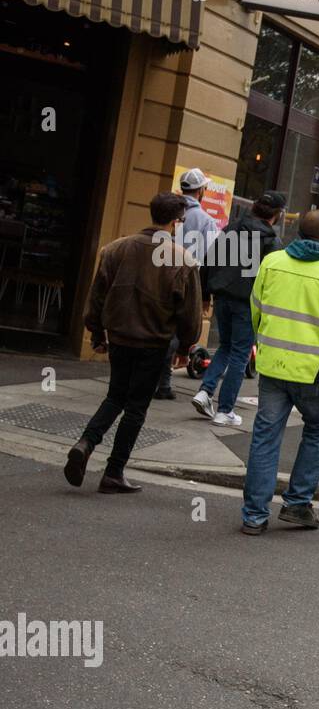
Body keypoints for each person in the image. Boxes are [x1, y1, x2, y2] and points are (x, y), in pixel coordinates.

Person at [65, 193, 202, 493]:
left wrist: (97, 333)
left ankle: (86, 442)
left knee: (115, 396)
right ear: (176, 222)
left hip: (120, 337)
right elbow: (189, 314)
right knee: (136, 407)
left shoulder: (115, 249)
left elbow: (97, 296)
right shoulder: (182, 259)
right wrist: (184, 347)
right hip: (153, 342)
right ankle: (114, 471)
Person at [240, 209, 319, 535]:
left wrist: (263, 345)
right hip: (313, 373)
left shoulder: (272, 263)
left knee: (265, 438)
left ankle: (253, 516)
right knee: (316, 431)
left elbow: (257, 310)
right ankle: (297, 504)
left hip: (273, 366)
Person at [192, 191, 286, 427]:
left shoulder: (232, 229)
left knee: (226, 346)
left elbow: (210, 258)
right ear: (277, 214)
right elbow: (273, 279)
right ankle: (225, 410)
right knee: (240, 354)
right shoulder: (271, 241)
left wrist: (205, 294)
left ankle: (205, 391)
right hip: (247, 303)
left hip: (222, 297)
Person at [156, 168, 219, 400]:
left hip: (160, 274)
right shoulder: (206, 221)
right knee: (176, 329)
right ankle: (163, 383)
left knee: (159, 324)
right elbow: (211, 258)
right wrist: (206, 294)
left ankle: (154, 379)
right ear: (201, 190)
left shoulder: (169, 213)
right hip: (188, 279)